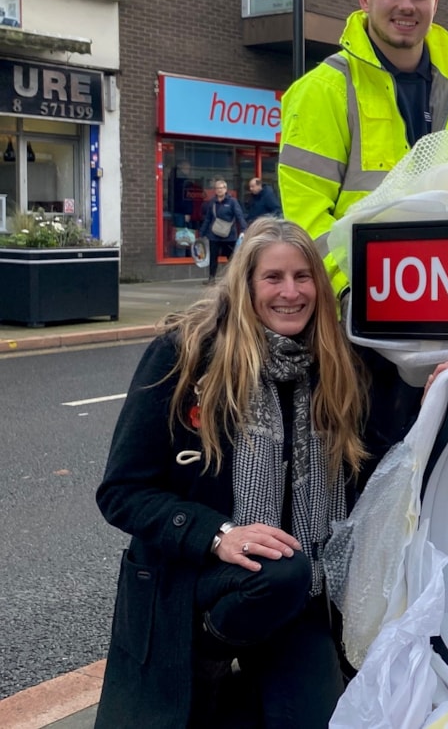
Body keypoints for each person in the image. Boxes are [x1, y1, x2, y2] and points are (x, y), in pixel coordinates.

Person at [94, 218, 368, 729]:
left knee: (319, 714)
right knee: (278, 570)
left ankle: (242, 699)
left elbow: (395, 437)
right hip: (194, 584)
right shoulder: (186, 354)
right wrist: (218, 535)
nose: (291, 292)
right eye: (274, 278)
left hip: (299, 595)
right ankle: (209, 659)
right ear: (246, 284)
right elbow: (121, 491)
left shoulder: (335, 364)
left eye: (303, 277)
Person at [279, 0, 448, 302]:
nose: (406, 6)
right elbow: (307, 219)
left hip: (447, 297)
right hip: (358, 305)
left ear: (435, 2)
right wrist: (355, 293)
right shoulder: (324, 90)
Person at [198, 177, 247, 285]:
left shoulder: (232, 202)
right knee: (213, 258)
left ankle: (233, 279)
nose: (219, 190)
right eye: (217, 188)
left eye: (221, 188)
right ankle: (211, 279)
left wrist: (244, 229)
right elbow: (208, 219)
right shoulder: (212, 202)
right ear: (215, 190)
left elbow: (239, 216)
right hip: (214, 235)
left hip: (229, 236)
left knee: (231, 259)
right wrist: (202, 232)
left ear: (226, 189)